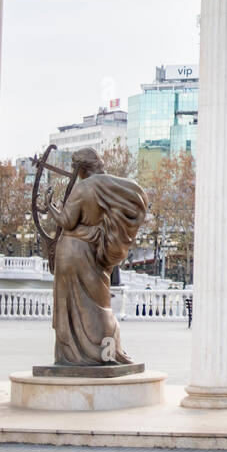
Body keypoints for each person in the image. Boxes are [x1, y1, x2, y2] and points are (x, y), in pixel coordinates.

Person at [42, 148, 148, 367]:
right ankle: (106, 351)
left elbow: (68, 221)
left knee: (73, 304)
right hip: (93, 251)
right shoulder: (109, 186)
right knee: (99, 303)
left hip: (73, 250)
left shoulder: (83, 188)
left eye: (75, 168)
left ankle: (74, 354)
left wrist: (50, 205)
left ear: (81, 168)